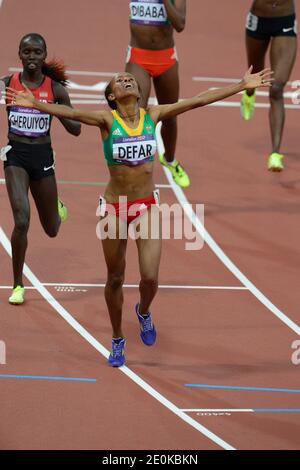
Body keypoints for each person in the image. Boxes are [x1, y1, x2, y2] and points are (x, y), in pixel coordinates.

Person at [5, 67, 273, 366]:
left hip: (146, 206)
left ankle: (143, 311)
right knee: (115, 277)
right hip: (114, 208)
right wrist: (37, 104)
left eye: (129, 78)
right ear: (112, 96)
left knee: (150, 277)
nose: (127, 79)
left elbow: (197, 101)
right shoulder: (107, 120)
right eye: (119, 80)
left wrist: (240, 85)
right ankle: (118, 338)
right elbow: (74, 112)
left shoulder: (153, 115)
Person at [0, 33, 81, 305]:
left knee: (52, 229)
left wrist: (54, 109)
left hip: (43, 157)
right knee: (21, 219)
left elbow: (76, 129)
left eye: (37, 52)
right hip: (16, 157)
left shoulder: (55, 89)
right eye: (27, 52)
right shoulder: (8, 84)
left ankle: (55, 205)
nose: (32, 57)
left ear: (44, 55)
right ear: (19, 55)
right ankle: (18, 285)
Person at [126, 0, 190, 188]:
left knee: (170, 115)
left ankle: (169, 160)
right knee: (136, 115)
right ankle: (137, 168)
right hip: (138, 57)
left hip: (165, 59)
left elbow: (180, 24)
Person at [241, 0, 297, 171]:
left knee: (276, 89)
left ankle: (275, 153)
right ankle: (250, 93)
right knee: (255, 75)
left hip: (285, 21)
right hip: (258, 20)